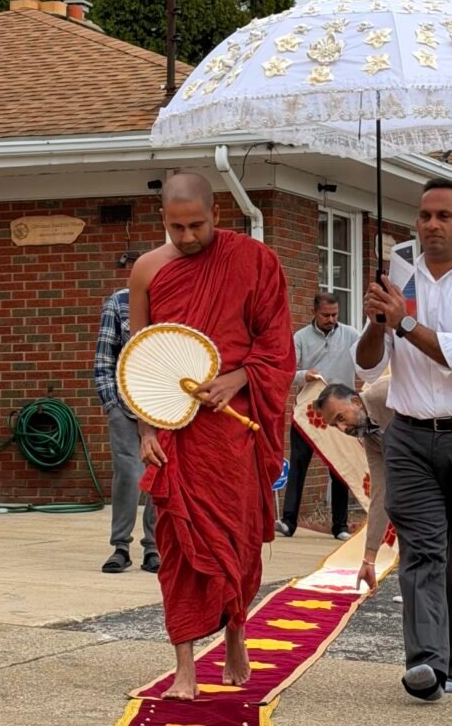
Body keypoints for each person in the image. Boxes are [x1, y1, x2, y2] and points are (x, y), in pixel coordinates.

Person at [129, 172, 295, 701]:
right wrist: (145, 427)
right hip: (176, 431)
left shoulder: (255, 261)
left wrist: (239, 376)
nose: (187, 237)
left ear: (217, 215)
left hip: (232, 431)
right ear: (163, 221)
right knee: (176, 546)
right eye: (176, 227)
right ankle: (183, 665)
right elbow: (140, 360)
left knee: (237, 541)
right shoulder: (148, 270)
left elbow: (276, 346)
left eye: (197, 225)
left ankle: (237, 633)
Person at [355, 177, 452, 701]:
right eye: (424, 216)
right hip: (409, 436)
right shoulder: (400, 280)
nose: (431, 225)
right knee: (423, 549)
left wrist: (403, 324)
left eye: (444, 216)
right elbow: (367, 362)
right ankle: (426, 663)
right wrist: (378, 321)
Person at [316, 378, 452, 611]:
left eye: (340, 418)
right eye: (333, 425)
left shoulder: (387, 392)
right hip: (441, 450)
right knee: (421, 511)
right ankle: (426, 587)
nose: (342, 428)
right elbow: (381, 493)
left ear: (356, 402)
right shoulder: (371, 438)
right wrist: (369, 558)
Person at [275, 292, 359, 540]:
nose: (331, 319)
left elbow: (369, 360)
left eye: (335, 314)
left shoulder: (352, 335)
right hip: (309, 411)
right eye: (326, 315)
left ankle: (340, 525)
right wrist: (304, 376)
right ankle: (289, 522)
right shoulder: (300, 338)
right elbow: (286, 371)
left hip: (343, 411)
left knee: (341, 467)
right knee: (299, 464)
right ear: (314, 311)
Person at [94, 286, 158, 574]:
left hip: (163, 409)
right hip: (124, 406)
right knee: (129, 475)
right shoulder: (119, 302)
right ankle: (120, 546)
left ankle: (154, 547)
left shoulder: (178, 301)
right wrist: (112, 405)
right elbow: (105, 358)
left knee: (160, 476)